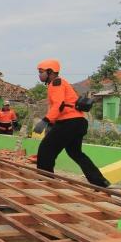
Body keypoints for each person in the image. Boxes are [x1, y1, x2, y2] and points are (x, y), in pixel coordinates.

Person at [34, 59, 109, 187]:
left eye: (41, 72)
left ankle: (46, 182)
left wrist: (45, 121)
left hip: (69, 123)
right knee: (75, 153)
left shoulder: (56, 83)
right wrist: (52, 124)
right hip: (77, 123)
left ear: (50, 72)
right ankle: (100, 182)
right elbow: (60, 106)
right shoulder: (61, 83)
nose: (39, 75)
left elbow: (59, 104)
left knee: (45, 150)